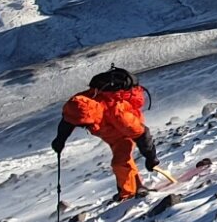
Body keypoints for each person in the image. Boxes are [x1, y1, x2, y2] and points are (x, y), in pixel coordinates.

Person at [53, 66, 162, 201]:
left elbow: (141, 133)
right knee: (120, 162)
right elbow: (69, 121)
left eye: (85, 124)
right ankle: (128, 190)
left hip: (123, 132)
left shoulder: (118, 115)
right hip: (110, 134)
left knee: (120, 161)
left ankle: (131, 191)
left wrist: (151, 157)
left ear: (92, 117)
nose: (83, 127)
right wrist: (60, 140)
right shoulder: (81, 104)